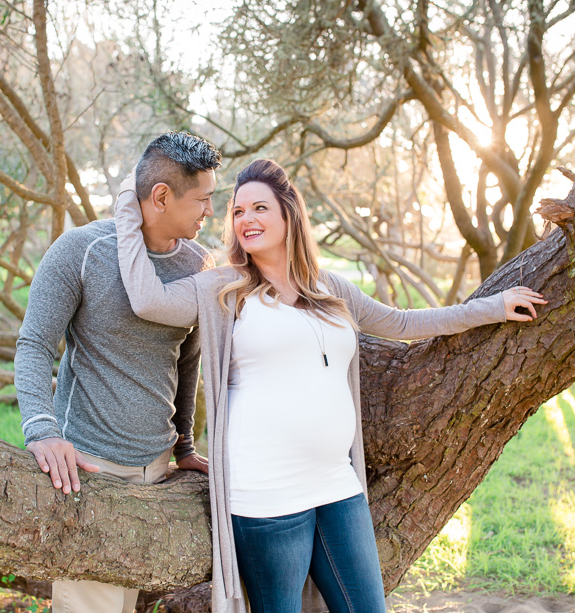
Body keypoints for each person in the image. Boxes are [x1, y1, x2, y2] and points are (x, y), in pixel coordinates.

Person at [114, 159, 547, 613]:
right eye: (238, 211)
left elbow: (403, 323)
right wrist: (128, 202)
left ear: (289, 213)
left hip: (337, 483)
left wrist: (492, 307)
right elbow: (148, 300)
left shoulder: (330, 287)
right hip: (265, 493)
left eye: (259, 207)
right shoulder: (223, 287)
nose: (246, 220)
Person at [14, 132, 221, 613]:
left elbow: (186, 361)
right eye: (202, 199)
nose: (210, 211)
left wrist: (184, 446)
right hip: (89, 467)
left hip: (157, 470)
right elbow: (34, 344)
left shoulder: (198, 264)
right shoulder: (81, 250)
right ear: (161, 197)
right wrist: (42, 430)